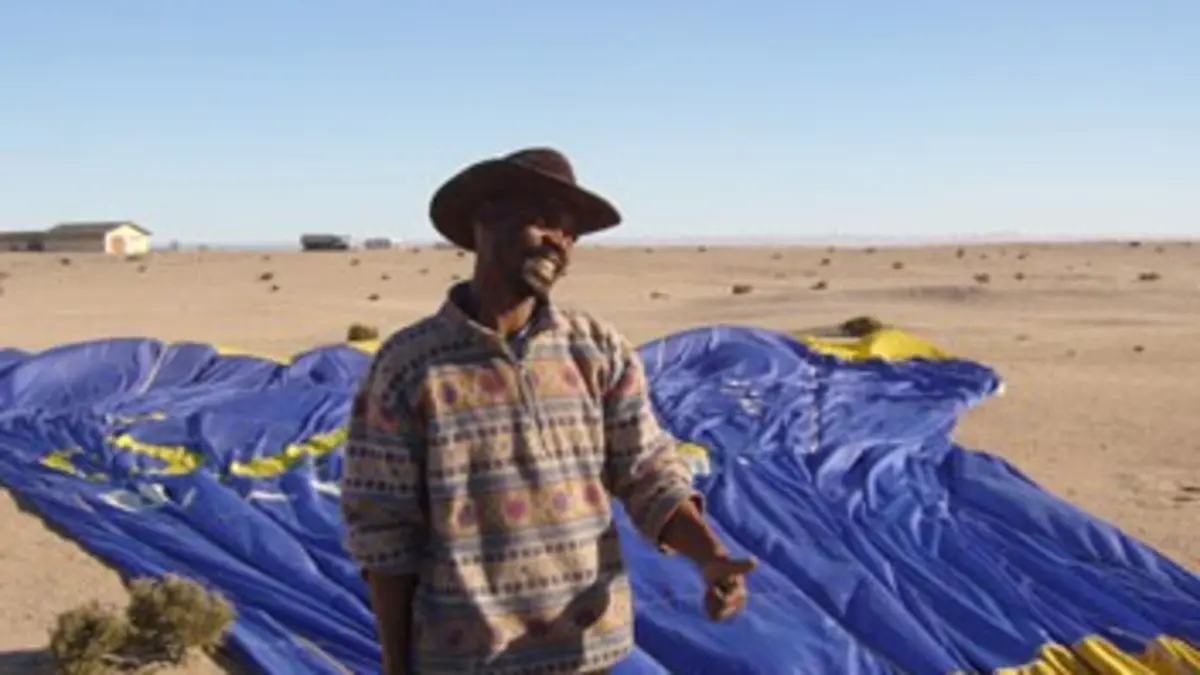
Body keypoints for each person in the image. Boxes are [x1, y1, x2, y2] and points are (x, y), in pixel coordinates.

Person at [340, 147, 756, 675]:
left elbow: (648, 470)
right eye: (543, 221)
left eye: (570, 232)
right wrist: (397, 669)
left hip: (588, 652)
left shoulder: (597, 349)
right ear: (485, 218)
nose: (559, 242)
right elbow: (383, 530)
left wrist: (709, 556)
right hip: (468, 660)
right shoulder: (409, 366)